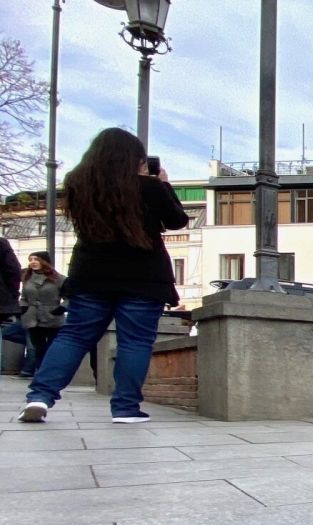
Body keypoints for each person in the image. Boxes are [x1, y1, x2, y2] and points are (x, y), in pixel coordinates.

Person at [16, 127, 188, 424]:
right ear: (134, 159)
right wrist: (163, 185)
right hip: (143, 277)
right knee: (134, 341)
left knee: (74, 336)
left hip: (91, 276)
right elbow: (176, 221)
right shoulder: (148, 187)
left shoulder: (78, 185)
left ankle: (40, 397)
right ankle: (125, 409)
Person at [18, 251, 66, 374]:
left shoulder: (59, 278)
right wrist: (23, 308)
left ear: (44, 262)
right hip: (32, 317)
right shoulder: (28, 277)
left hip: (52, 317)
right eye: (31, 259)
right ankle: (40, 374)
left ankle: (51, 373)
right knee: (38, 348)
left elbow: (70, 297)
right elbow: (24, 297)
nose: (33, 262)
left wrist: (62, 308)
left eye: (36, 259)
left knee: (52, 348)